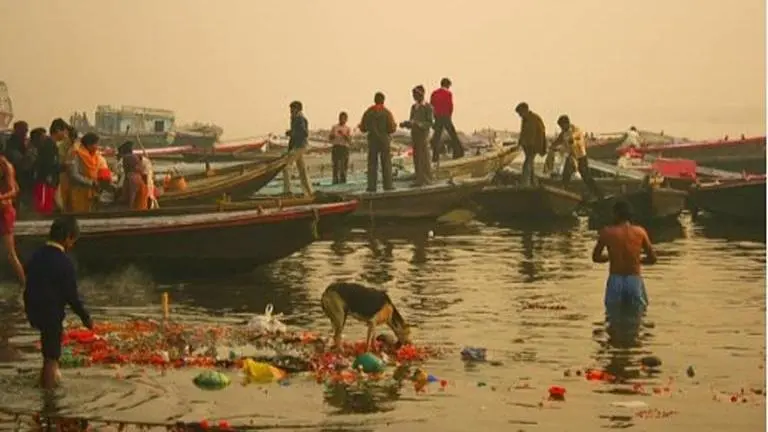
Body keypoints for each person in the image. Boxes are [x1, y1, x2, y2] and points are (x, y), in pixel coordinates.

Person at [23, 216, 92, 389]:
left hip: (34, 309)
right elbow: (72, 297)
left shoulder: (36, 256)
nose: (72, 244)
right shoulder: (64, 263)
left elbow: (28, 283)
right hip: (51, 313)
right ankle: (49, 399)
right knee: (52, 356)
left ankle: (44, 384)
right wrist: (86, 318)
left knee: (48, 352)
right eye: (73, 240)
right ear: (68, 237)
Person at [592, 200, 657, 315]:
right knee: (638, 316)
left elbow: (596, 257)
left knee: (613, 316)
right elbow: (652, 259)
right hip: (634, 279)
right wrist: (637, 259)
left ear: (615, 214)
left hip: (615, 280)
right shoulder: (640, 232)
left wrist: (611, 257)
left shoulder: (607, 232)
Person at [552, 115, 604, 199]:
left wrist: (572, 139)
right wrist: (552, 146)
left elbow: (576, 137)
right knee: (566, 175)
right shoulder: (563, 133)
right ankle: (564, 193)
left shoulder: (576, 129)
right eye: (560, 126)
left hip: (580, 157)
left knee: (586, 177)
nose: (561, 128)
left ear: (566, 123)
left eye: (562, 126)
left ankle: (599, 195)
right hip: (572, 157)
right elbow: (558, 141)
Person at [359, 92, 397, 192]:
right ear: (383, 100)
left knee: (372, 164)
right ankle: (388, 185)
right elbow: (392, 128)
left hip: (372, 140)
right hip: (384, 140)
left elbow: (363, 128)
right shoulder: (386, 112)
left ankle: (371, 186)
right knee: (386, 163)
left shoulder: (368, 112)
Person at [400, 85, 434, 186]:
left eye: (415, 94)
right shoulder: (413, 107)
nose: (413, 96)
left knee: (425, 158)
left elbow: (430, 123)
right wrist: (406, 124)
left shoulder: (428, 107)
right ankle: (419, 179)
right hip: (414, 135)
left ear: (421, 94)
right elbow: (412, 120)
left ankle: (427, 179)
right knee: (417, 157)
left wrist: (418, 124)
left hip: (423, 136)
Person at [33, 119, 67, 216]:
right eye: (64, 131)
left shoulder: (51, 145)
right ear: (57, 130)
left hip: (49, 184)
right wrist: (63, 166)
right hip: (45, 184)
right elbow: (48, 165)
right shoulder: (49, 145)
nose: (65, 134)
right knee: (44, 211)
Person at [0, 152, 24, 285]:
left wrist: (1, 197)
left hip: (5, 212)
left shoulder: (5, 166)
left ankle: (24, 283)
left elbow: (14, 190)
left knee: (11, 253)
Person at [429, 78, 464, 161]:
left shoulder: (434, 93)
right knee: (453, 135)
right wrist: (449, 116)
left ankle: (435, 157)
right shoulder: (448, 94)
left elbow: (431, 106)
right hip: (446, 117)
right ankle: (458, 153)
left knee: (436, 137)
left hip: (437, 117)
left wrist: (434, 117)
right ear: (447, 85)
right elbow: (450, 106)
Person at [283, 101, 313, 196]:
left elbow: (304, 133)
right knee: (302, 170)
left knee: (286, 167)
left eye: (293, 108)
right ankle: (309, 192)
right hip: (298, 146)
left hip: (300, 146)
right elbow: (294, 137)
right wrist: (289, 149)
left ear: (298, 109)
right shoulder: (294, 118)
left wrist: (292, 133)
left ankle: (287, 191)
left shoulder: (300, 118)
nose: (291, 111)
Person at [67, 132, 101, 213]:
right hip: (78, 192)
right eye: (96, 144)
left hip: (91, 193)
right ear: (89, 145)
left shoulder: (94, 156)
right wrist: (90, 182)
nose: (97, 147)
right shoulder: (76, 154)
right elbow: (74, 175)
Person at [515, 103, 547, 186]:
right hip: (527, 147)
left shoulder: (535, 119)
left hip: (534, 147)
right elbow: (523, 133)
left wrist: (540, 147)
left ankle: (525, 185)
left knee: (527, 165)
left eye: (520, 113)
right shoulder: (525, 120)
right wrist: (520, 143)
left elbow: (541, 133)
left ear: (525, 110)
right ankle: (534, 183)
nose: (520, 115)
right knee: (530, 165)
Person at [117, 141, 149, 210]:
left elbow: (131, 197)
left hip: (136, 211)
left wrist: (129, 208)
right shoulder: (135, 175)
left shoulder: (132, 177)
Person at [329, 111, 352, 184]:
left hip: (344, 147)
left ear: (346, 119)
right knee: (335, 164)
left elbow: (349, 140)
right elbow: (330, 137)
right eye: (341, 118)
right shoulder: (334, 127)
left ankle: (343, 180)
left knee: (343, 165)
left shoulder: (347, 128)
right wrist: (333, 136)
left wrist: (343, 134)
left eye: (344, 118)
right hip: (336, 147)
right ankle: (335, 180)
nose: (342, 120)